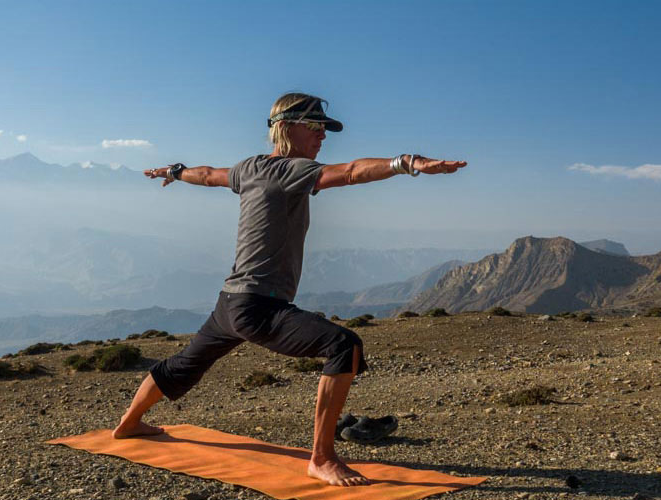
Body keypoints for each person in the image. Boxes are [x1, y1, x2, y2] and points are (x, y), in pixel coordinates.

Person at [111, 92, 467, 487]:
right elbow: (349, 172)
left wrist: (175, 172)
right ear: (287, 127)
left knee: (184, 365)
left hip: (231, 302)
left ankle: (129, 424)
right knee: (343, 345)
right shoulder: (290, 170)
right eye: (315, 127)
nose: (322, 136)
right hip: (258, 306)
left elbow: (209, 174)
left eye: (324, 129)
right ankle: (322, 457)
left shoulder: (250, 168)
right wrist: (407, 164)